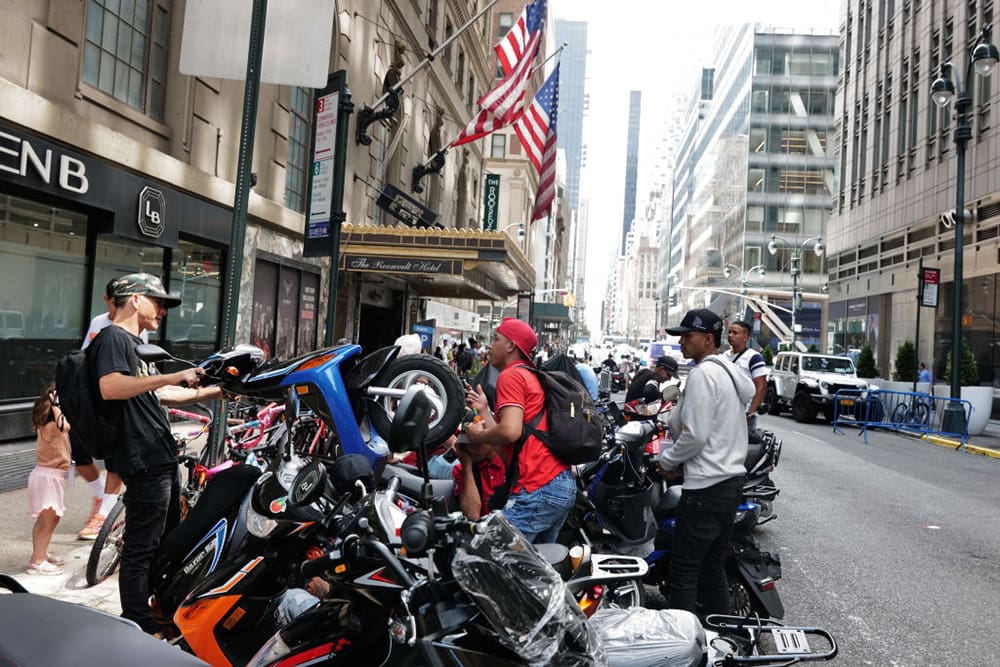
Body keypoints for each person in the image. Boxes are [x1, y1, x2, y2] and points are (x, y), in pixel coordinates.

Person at [90, 273, 221, 633]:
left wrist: (210, 393)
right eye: (158, 301)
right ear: (134, 299)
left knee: (164, 539)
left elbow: (155, 395)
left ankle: (155, 606)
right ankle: (137, 620)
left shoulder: (134, 344)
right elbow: (110, 387)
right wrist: (170, 377)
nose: (163, 310)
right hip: (142, 458)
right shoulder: (114, 338)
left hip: (157, 457)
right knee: (141, 546)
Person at [658, 308, 755, 616]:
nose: (682, 343)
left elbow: (695, 435)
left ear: (708, 339)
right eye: (680, 337)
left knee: (684, 571)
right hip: (729, 486)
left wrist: (668, 460)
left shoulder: (703, 374)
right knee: (712, 568)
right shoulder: (727, 371)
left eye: (688, 336)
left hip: (705, 488)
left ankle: (681, 646)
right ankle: (723, 637)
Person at [464, 318, 576, 543]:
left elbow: (510, 432)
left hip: (538, 487)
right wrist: (485, 410)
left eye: (496, 339)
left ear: (510, 346)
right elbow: (508, 441)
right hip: (559, 486)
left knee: (491, 555)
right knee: (534, 572)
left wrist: (478, 435)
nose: (490, 345)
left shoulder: (511, 376)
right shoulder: (529, 375)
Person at [76, 278, 147, 540]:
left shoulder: (133, 329)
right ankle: (101, 498)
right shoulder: (99, 323)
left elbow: (138, 364)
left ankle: (104, 511)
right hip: (94, 396)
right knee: (78, 450)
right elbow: (85, 355)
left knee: (117, 455)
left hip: (119, 400)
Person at [26, 384, 71, 575]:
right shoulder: (53, 426)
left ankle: (40, 554)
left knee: (49, 520)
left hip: (49, 477)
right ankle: (37, 562)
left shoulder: (47, 425)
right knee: (47, 521)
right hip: (48, 478)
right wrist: (55, 404)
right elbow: (66, 426)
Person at [724, 321, 768, 428]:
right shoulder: (724, 356)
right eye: (729, 332)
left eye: (735, 333)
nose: (730, 335)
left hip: (744, 415)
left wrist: (750, 414)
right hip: (724, 414)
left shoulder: (754, 357)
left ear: (745, 337)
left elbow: (761, 386)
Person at [452, 437, 506, 519]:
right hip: (483, 527)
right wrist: (467, 467)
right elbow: (472, 515)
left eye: (478, 444)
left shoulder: (509, 462)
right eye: (467, 444)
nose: (472, 449)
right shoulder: (461, 470)